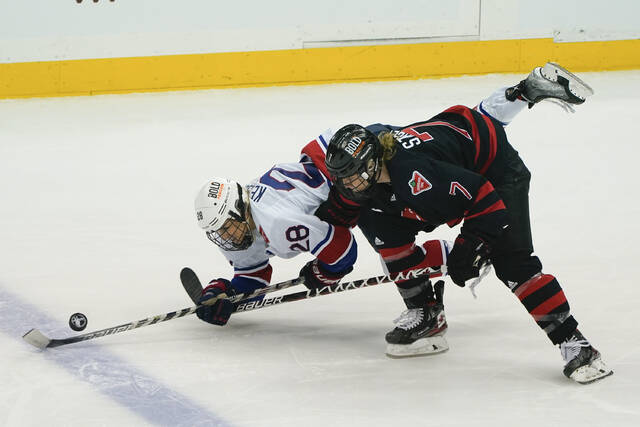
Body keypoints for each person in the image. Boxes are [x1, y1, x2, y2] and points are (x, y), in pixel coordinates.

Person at [317, 63, 612, 384]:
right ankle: (426, 313)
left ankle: (575, 343)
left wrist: (471, 246)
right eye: (342, 178)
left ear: (373, 164)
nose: (348, 184)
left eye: (353, 176)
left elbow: (482, 197)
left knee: (512, 262)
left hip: (495, 172)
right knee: (376, 221)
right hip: (461, 134)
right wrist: (330, 236)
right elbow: (347, 199)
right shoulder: (370, 153)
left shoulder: (415, 174)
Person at [192, 149, 450, 328]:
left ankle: (461, 253)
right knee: (397, 259)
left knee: (397, 260)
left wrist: (323, 272)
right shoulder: (241, 224)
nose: (224, 237)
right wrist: (228, 292)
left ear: (241, 208)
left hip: (357, 182)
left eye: (226, 227)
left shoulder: (277, 222)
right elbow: (254, 276)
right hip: (337, 186)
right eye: (217, 231)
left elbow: (343, 251)